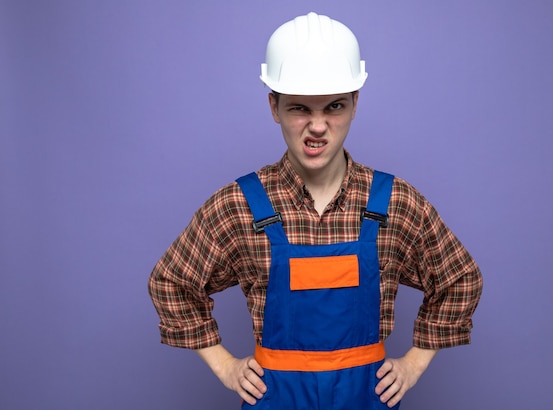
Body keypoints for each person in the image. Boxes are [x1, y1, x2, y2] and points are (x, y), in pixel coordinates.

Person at [148, 11, 482, 409]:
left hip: (365, 397)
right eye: (300, 108)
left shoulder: (395, 202)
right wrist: (225, 366)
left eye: (334, 106)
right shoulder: (238, 205)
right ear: (274, 107)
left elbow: (460, 277)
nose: (318, 126)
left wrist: (413, 364)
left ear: (355, 104)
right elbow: (170, 281)